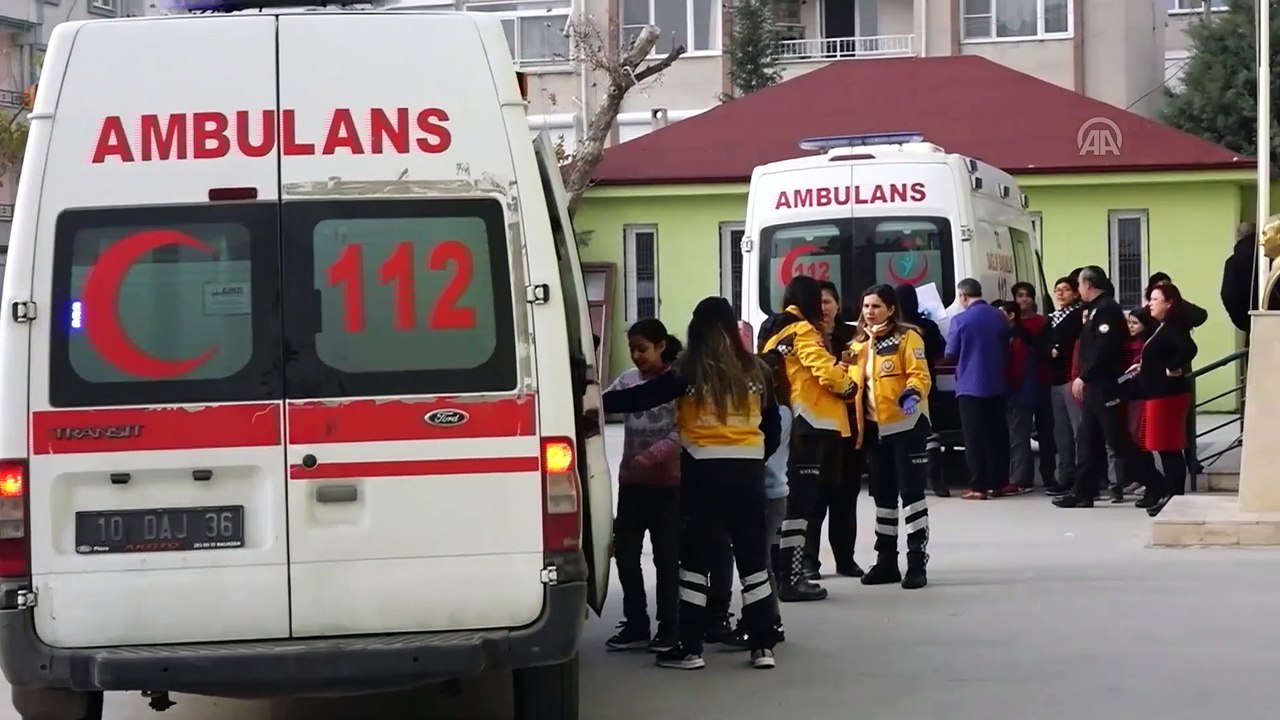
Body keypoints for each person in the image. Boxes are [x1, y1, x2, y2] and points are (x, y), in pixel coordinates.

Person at [602, 296, 782, 670]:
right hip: (747, 474)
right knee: (753, 562)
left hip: (703, 474)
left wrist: (590, 400)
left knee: (696, 562)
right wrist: (751, 457)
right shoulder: (757, 370)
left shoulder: (688, 370)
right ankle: (763, 646)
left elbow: (644, 396)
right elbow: (774, 429)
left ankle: (690, 648)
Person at [759, 276, 856, 603]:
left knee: (788, 501)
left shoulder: (775, 330)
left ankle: (783, 574)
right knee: (801, 505)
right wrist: (848, 384)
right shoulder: (802, 331)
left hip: (786, 421)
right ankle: (793, 577)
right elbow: (824, 372)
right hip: (811, 422)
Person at [844, 284, 933, 588]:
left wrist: (912, 393)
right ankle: (886, 562)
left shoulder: (908, 337)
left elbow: (920, 374)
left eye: (876, 306)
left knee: (911, 494)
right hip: (873, 430)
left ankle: (916, 561)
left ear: (892, 309)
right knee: (882, 496)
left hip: (907, 427)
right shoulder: (857, 345)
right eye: (866, 306)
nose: (870, 312)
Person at [604, 319, 684, 653]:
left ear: (661, 346)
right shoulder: (626, 381)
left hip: (668, 485)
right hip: (632, 485)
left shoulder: (678, 382)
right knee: (625, 554)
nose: (637, 355)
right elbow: (599, 405)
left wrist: (652, 456)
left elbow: (682, 432)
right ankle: (636, 622)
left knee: (667, 559)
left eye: (643, 349)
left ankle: (669, 627)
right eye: (633, 349)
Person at [1053, 266, 1143, 509]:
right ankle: (1083, 491)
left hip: (1105, 385)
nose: (1079, 290)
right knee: (1086, 439)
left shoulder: (1106, 310)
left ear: (1089, 285)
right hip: (1095, 386)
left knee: (1117, 440)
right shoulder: (1093, 310)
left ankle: (1155, 483)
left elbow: (1104, 349)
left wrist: (1085, 375)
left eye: (1080, 285)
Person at [802, 281, 863, 581]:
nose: (823, 307)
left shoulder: (852, 336)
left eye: (828, 301)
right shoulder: (805, 337)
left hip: (849, 426)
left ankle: (846, 559)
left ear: (839, 305)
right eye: (818, 302)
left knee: (845, 496)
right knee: (813, 498)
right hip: (815, 426)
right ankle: (809, 561)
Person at [1131, 282, 1199, 517]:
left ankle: (1174, 496)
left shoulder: (1174, 325)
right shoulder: (1163, 326)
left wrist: (1173, 366)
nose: (1150, 303)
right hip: (1158, 393)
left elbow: (1189, 347)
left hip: (1167, 395)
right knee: (1164, 446)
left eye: (1156, 299)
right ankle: (1171, 495)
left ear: (1169, 302)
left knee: (1169, 447)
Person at [945, 278, 1010, 500]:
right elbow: (1005, 344)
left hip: (969, 386)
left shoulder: (960, 319)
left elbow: (951, 353)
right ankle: (997, 483)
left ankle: (979, 486)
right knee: (997, 435)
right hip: (997, 383)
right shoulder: (999, 316)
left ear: (963, 296)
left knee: (974, 438)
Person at [895, 283, 950, 498]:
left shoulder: (893, 328)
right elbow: (940, 349)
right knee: (929, 433)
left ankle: (906, 481)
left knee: (901, 434)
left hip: (897, 387)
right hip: (926, 384)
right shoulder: (928, 325)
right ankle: (936, 481)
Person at [1011, 281, 1056, 488]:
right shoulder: (1011, 323)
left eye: (1027, 295)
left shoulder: (1043, 322)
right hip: (1020, 385)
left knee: (1047, 432)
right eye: (1020, 295)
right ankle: (1022, 477)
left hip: (1043, 381)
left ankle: (1049, 475)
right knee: (1020, 432)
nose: (1024, 299)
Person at [1045, 277, 1085, 494]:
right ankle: (1065, 475)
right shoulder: (1050, 318)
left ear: (1076, 293)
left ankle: (1082, 475)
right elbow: (1042, 344)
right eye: (1057, 290)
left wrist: (1055, 348)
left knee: (1078, 429)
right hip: (1055, 380)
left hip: (1072, 378)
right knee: (1061, 432)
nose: (1060, 293)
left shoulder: (1079, 316)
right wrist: (1049, 348)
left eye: (1066, 290)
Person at [996, 301, 1037, 494]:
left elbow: (1017, 369)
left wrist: (1008, 388)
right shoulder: (1017, 335)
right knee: (1020, 436)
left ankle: (1017, 480)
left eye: (1001, 313)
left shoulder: (1016, 338)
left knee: (1018, 437)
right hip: (1023, 392)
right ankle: (1025, 478)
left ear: (1011, 315)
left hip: (1019, 394)